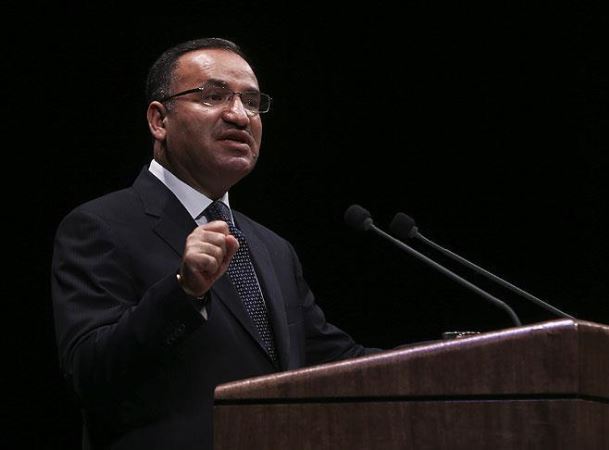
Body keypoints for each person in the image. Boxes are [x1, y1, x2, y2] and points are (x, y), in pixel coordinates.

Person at [51, 37, 380, 450]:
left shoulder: (273, 249)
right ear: (159, 120)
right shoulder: (100, 226)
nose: (239, 115)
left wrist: (453, 357)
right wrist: (183, 291)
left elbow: (338, 363)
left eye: (252, 102)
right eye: (213, 96)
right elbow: (89, 374)